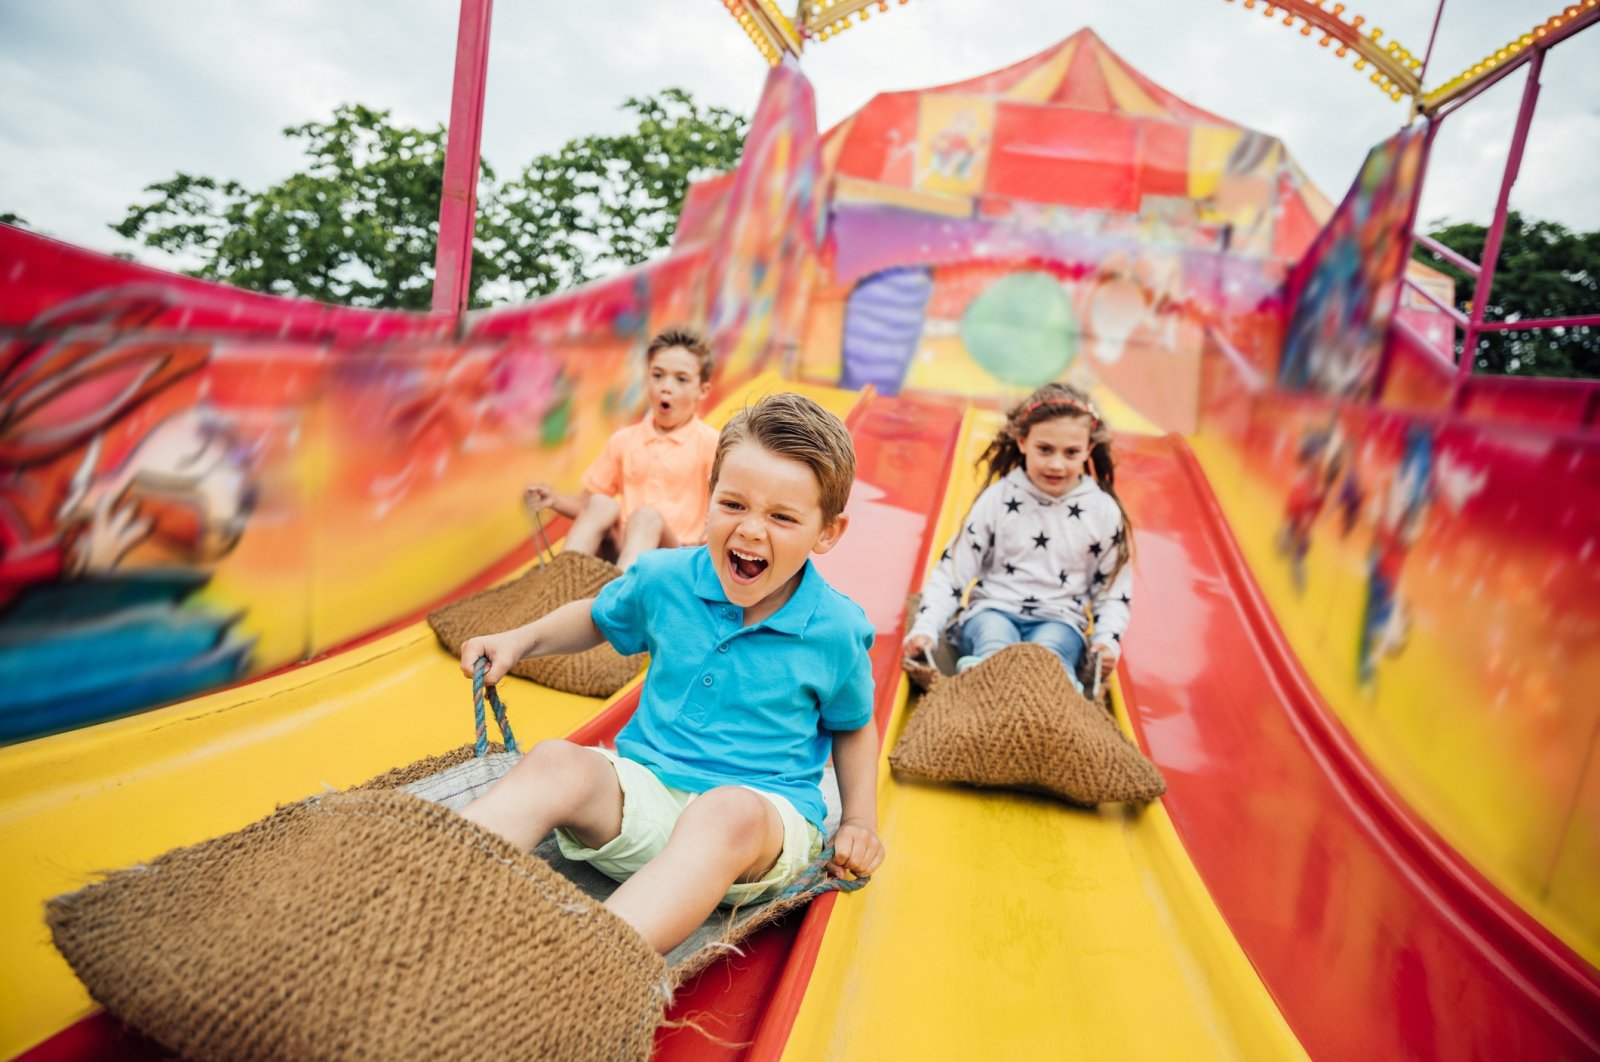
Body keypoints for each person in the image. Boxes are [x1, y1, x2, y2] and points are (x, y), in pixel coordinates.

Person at [459, 392, 885, 954]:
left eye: (782, 517)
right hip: (648, 793)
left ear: (827, 533)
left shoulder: (834, 628)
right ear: (708, 499)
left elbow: (852, 725)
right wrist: (519, 640)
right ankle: (433, 877)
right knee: (556, 760)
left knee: (724, 812)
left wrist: (859, 819)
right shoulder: (665, 578)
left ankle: (587, 962)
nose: (751, 532)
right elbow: (596, 617)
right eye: (733, 505)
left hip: (756, 826)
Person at [903, 382, 1133, 692]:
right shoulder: (998, 499)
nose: (1056, 464)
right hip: (993, 611)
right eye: (1045, 449)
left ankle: (1056, 693)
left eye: (1071, 452)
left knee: (1049, 653)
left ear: (1089, 449)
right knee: (994, 639)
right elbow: (954, 570)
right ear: (1022, 441)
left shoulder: (1102, 511)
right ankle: (981, 686)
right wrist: (926, 627)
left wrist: (1107, 641)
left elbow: (1113, 589)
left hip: (1060, 620)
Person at [524, 327, 718, 570]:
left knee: (646, 517)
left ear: (702, 390)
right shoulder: (624, 441)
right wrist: (554, 500)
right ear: (647, 378)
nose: (666, 387)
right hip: (625, 549)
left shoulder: (712, 444)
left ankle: (621, 599)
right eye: (658, 375)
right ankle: (560, 581)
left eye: (681, 379)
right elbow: (586, 503)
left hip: (677, 557)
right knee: (601, 504)